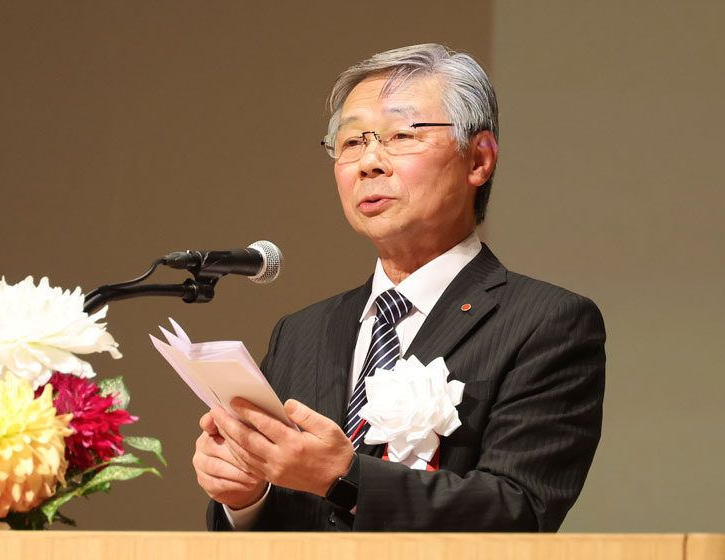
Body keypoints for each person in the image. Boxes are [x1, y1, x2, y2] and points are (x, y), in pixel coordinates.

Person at [192, 43, 605, 532]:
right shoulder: (300, 333)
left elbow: (520, 510)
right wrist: (245, 497)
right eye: (350, 143)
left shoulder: (546, 322)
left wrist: (344, 476)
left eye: (401, 135)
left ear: (478, 159)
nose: (369, 162)